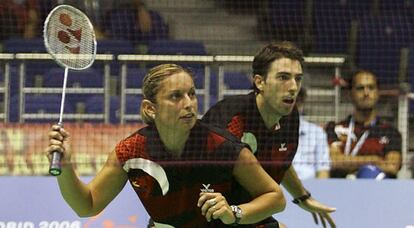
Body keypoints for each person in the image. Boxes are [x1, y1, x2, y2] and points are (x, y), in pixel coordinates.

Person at [45, 64, 286, 227]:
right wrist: (65, 166)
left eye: (192, 94)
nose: (189, 103)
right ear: (150, 108)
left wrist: (234, 212)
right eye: (176, 96)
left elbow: (275, 197)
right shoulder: (131, 152)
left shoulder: (222, 147)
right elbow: (87, 205)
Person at [202, 41, 336, 227]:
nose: (293, 87)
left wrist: (302, 197)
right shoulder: (229, 118)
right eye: (283, 77)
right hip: (206, 210)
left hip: (240, 211)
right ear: (260, 82)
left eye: (297, 78)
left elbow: (280, 161)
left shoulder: (289, 117)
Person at [325, 70, 402, 179]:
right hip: (338, 191)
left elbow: (392, 166)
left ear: (377, 93)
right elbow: (333, 161)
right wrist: (374, 160)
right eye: (360, 88)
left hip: (377, 192)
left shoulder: (390, 132)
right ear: (350, 94)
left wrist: (349, 162)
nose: (366, 93)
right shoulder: (334, 128)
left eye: (371, 88)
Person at [293, 87, 331, 179]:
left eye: (297, 100)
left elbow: (323, 171)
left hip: (311, 189)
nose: (293, 105)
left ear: (302, 102)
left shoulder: (317, 133)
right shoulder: (268, 132)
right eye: (288, 100)